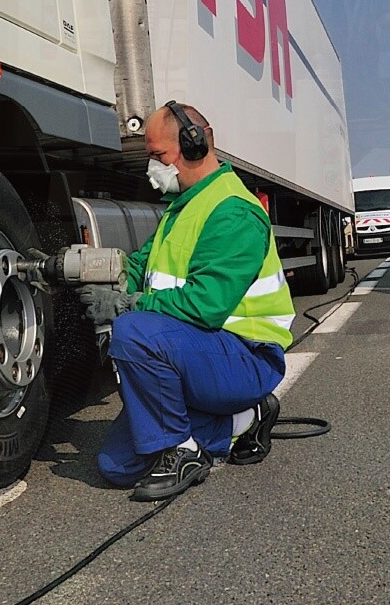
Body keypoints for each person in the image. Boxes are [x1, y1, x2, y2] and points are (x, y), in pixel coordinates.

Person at [78, 101, 295, 501]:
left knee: (133, 332)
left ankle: (183, 451)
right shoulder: (183, 208)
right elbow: (136, 267)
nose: (152, 167)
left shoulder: (233, 211)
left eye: (158, 155)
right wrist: (85, 270)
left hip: (245, 356)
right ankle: (244, 419)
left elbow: (205, 306)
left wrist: (128, 306)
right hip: (200, 353)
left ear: (193, 146)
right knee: (116, 465)